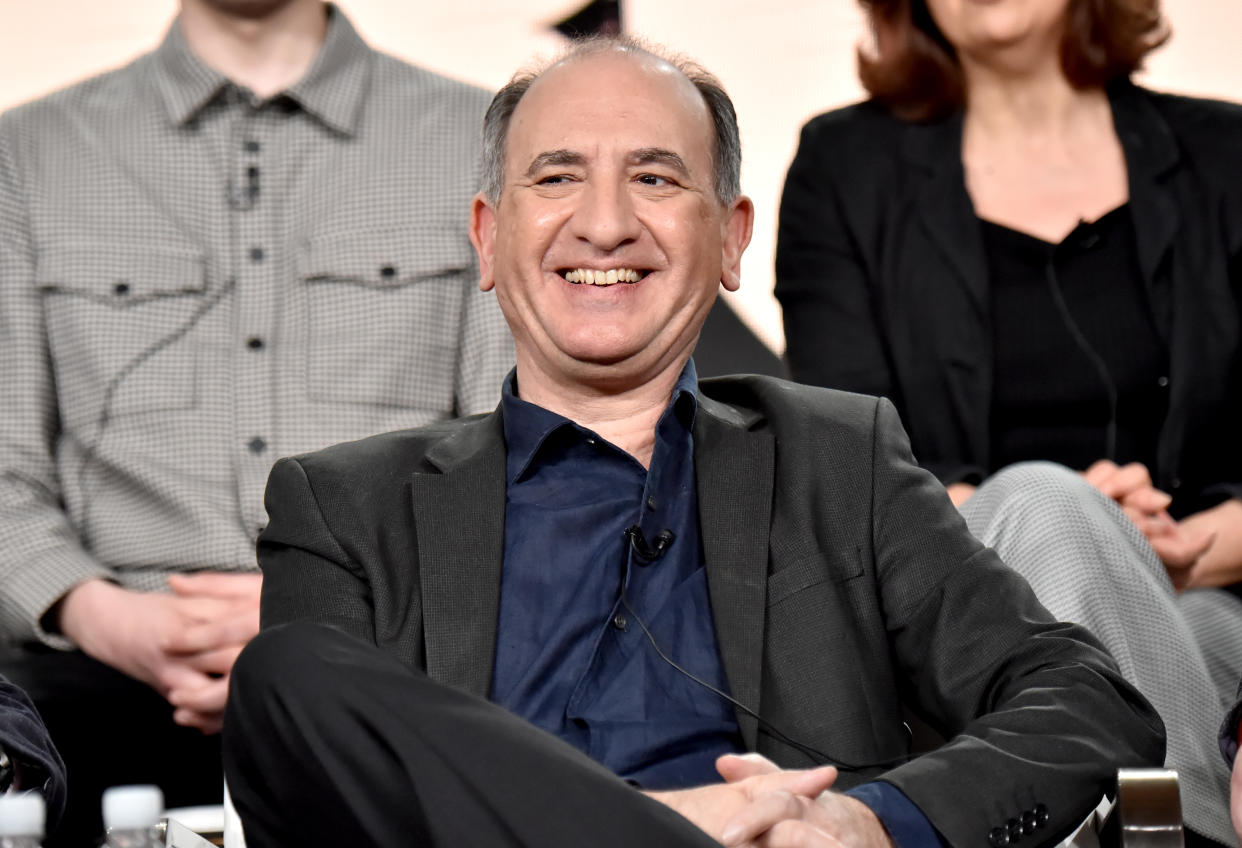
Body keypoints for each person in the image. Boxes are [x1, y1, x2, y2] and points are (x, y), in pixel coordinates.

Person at [222, 36, 1164, 848]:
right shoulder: (344, 505)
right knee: (287, 674)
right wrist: (688, 824)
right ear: (488, 238)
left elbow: (1088, 705)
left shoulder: (840, 459)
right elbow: (314, 791)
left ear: (730, 240)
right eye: (555, 178)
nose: (604, 222)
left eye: (655, 178)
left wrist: (869, 821)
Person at [0, 0, 513, 842]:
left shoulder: (481, 138)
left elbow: (506, 447)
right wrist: (113, 621)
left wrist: (330, 613)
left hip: (398, 664)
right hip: (100, 680)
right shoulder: (27, 154)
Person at [773, 0, 1242, 843]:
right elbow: (847, 458)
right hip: (970, 599)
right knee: (1050, 507)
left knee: (1205, 630)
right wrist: (1085, 525)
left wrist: (1151, 550)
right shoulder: (844, 165)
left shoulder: (1226, 153)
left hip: (1206, 583)